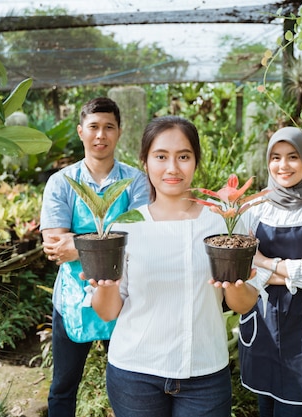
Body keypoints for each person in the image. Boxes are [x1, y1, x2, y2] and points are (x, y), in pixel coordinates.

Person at [87, 115, 259, 417]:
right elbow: (108, 311)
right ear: (145, 162)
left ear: (195, 161)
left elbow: (242, 305)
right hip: (134, 372)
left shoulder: (223, 223)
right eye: (161, 156)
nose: (172, 168)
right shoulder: (127, 225)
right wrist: (104, 285)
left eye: (183, 157)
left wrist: (238, 285)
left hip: (205, 372)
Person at [39, 97, 149, 417]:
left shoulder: (135, 181)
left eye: (108, 127)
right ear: (81, 132)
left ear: (119, 132)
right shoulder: (62, 182)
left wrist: (79, 245)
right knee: (63, 385)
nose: (101, 135)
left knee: (131, 383)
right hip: (73, 296)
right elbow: (56, 245)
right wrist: (112, 243)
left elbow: (143, 236)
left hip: (124, 294)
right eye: (94, 127)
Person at [238, 126, 302, 417]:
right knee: (265, 403)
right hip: (260, 316)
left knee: (293, 408)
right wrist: (294, 272)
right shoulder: (255, 206)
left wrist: (265, 262)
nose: (283, 166)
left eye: (293, 156)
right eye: (276, 157)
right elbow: (241, 267)